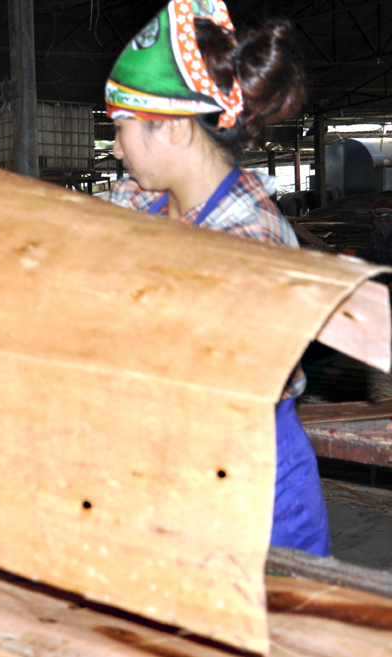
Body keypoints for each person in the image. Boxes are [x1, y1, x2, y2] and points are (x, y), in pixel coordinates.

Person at [99, 0, 329, 555]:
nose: (114, 145)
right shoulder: (143, 201)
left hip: (251, 487)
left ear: (173, 131)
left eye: (123, 126)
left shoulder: (256, 247)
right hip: (163, 470)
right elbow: (50, 222)